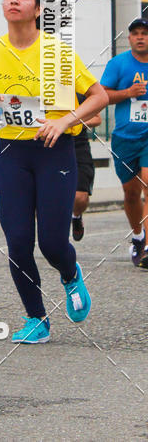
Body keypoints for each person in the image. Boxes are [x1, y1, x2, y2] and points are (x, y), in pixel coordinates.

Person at [0, 0, 108, 344]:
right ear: (3, 6)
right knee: (17, 241)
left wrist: (65, 120)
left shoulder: (58, 53)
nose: (14, 1)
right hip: (12, 152)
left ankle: (69, 273)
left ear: (36, 9)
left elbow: (99, 97)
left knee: (50, 242)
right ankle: (36, 318)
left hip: (55, 152)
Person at [100, 17, 148, 267]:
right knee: (131, 193)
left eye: (145, 33)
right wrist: (128, 93)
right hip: (125, 138)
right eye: (136, 33)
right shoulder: (117, 64)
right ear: (129, 38)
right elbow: (101, 96)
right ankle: (139, 237)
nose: (140, 37)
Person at [71, 94, 101, 241]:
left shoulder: (81, 91)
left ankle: (76, 216)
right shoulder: (44, 90)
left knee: (80, 197)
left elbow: (97, 119)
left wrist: (70, 122)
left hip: (78, 147)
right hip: (50, 145)